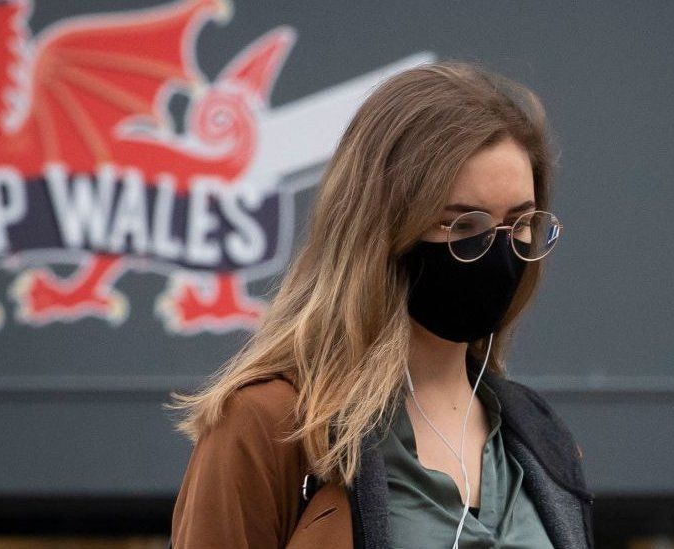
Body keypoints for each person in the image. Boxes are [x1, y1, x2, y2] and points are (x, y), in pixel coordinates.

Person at [164, 59, 594, 548]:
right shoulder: (271, 427)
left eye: (518, 224)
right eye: (463, 226)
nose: (498, 255)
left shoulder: (540, 440)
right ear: (381, 231)